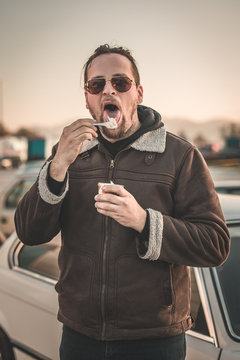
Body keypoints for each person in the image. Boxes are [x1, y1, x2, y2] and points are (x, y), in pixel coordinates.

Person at [15, 44, 230, 360]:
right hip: (80, 337)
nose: (108, 91)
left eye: (120, 83)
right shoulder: (70, 155)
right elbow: (29, 233)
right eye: (96, 85)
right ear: (87, 98)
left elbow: (215, 245)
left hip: (154, 342)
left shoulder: (181, 157)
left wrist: (145, 222)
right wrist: (58, 166)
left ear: (138, 93)